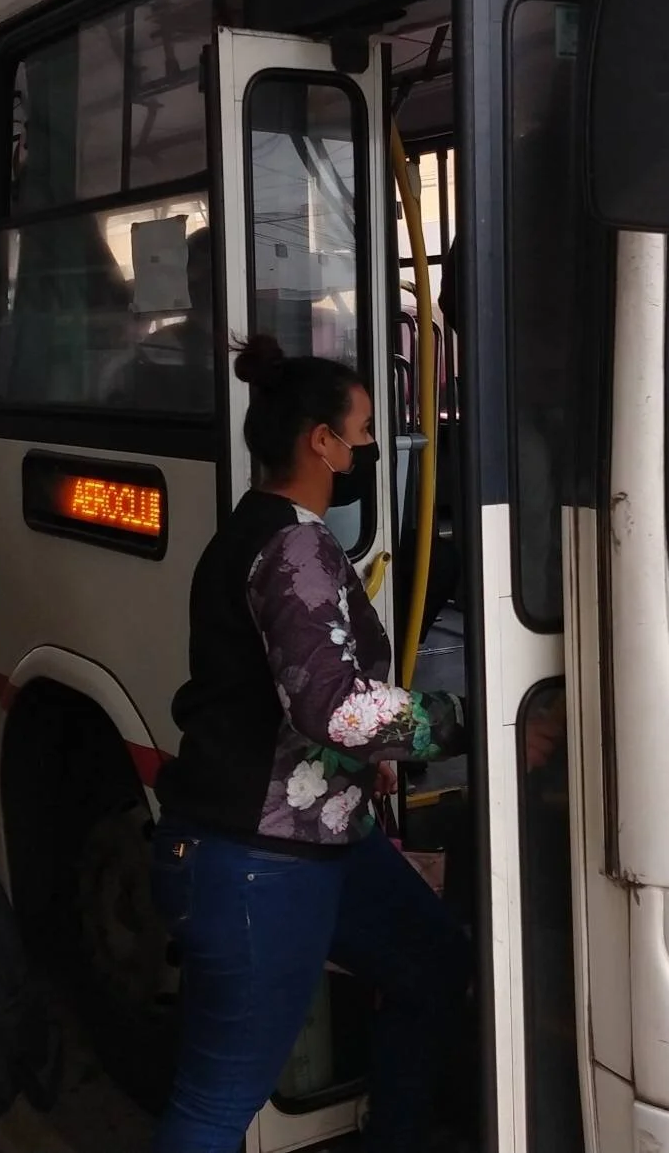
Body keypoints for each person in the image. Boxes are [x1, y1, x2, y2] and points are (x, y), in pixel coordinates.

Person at [151, 335, 471, 1153]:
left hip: (321, 840)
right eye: (361, 431)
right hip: (255, 859)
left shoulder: (276, 532)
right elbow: (331, 707)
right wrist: (467, 721)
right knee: (218, 1102)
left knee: (432, 966)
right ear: (319, 441)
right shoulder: (291, 544)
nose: (369, 447)